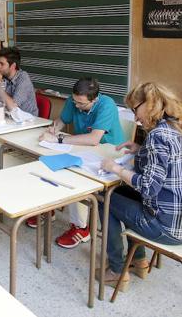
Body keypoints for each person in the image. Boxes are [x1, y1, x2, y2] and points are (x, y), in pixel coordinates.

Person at [98, 82, 182, 289]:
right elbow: (167, 164)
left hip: (168, 229)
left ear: (150, 104)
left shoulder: (158, 136)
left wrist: (115, 168)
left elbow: (148, 187)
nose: (135, 118)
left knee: (105, 198)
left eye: (135, 110)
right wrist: (140, 149)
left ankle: (117, 271)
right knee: (121, 193)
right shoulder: (177, 127)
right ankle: (139, 261)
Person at [37, 77, 125, 248]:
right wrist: (54, 129)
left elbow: (94, 139)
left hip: (108, 154)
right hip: (82, 150)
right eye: (75, 101)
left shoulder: (107, 104)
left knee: (74, 176)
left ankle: (81, 228)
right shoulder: (74, 99)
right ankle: (50, 207)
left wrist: (59, 140)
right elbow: (62, 120)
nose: (76, 106)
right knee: (51, 164)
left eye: (81, 104)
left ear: (95, 99)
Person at [0, 47, 38, 116]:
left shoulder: (23, 78)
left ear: (13, 66)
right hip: (11, 118)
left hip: (27, 121)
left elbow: (13, 107)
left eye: (2, 64)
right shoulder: (4, 77)